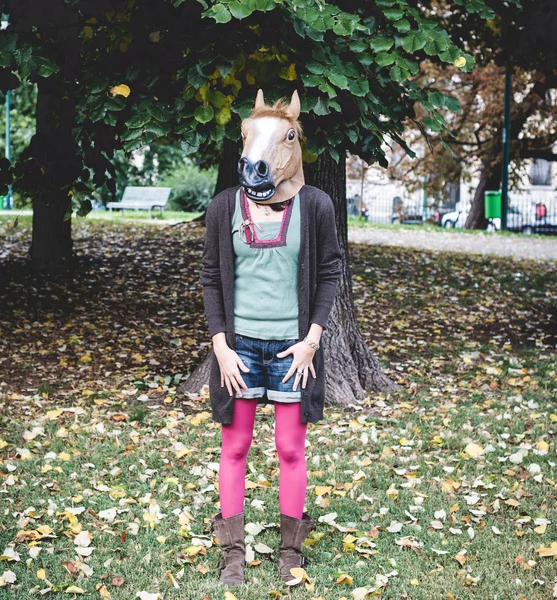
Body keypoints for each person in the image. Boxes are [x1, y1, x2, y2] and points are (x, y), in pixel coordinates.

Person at [199, 90, 342, 587]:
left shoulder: (317, 206)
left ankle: (290, 551)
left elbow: (330, 273)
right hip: (238, 351)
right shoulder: (223, 209)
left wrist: (312, 340)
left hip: (292, 351)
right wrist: (220, 346)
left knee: (289, 449)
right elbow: (211, 279)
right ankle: (233, 553)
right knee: (234, 446)